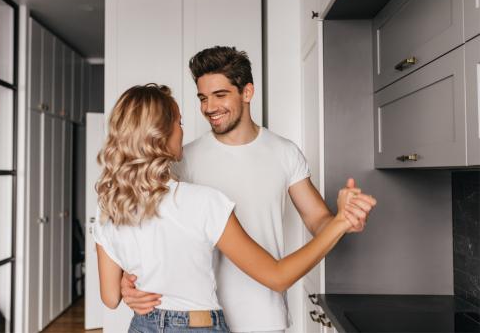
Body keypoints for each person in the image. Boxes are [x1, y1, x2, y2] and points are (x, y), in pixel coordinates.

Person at [120, 47, 375, 333]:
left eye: (220, 95)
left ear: (247, 92)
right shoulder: (183, 159)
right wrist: (127, 281)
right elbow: (151, 232)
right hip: (198, 319)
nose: (209, 108)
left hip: (264, 318)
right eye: (203, 98)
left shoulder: (285, 152)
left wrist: (344, 218)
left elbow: (317, 220)